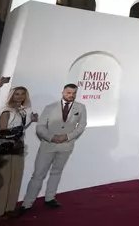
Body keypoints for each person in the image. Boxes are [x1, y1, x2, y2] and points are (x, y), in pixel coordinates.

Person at [18, 84, 87, 215]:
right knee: (38, 174)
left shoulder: (81, 108)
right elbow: (40, 127)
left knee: (56, 172)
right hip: (47, 145)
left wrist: (67, 136)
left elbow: (81, 126)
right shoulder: (50, 107)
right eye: (68, 92)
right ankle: (27, 204)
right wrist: (52, 137)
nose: (71, 95)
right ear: (63, 92)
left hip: (66, 146)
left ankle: (50, 198)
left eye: (73, 93)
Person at [0, 87, 38, 221]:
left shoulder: (24, 110)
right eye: (16, 94)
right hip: (6, 147)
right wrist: (13, 140)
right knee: (3, 179)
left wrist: (32, 120)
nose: (19, 96)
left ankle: (9, 208)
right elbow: (2, 131)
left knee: (16, 176)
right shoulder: (6, 111)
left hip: (18, 146)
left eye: (22, 94)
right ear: (11, 95)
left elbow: (20, 126)